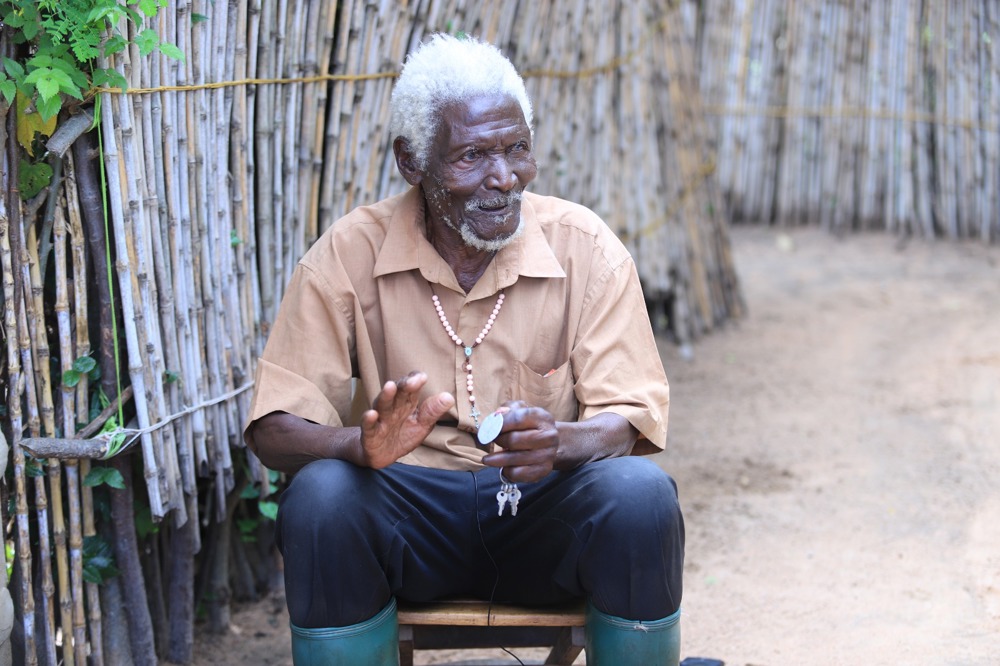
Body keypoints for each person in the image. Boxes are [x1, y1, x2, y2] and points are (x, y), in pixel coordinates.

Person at [243, 33, 684, 665]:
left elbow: (629, 416)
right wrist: (357, 446)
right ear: (411, 161)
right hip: (407, 511)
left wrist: (563, 443)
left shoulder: (585, 247)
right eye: (473, 155)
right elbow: (272, 430)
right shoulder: (347, 255)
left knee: (641, 497)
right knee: (321, 500)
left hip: (541, 516)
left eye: (516, 149)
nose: (503, 177)